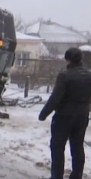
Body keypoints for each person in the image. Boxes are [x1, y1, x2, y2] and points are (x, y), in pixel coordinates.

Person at [39, 47, 91, 179]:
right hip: (82, 116)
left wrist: (44, 113)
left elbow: (55, 98)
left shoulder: (64, 76)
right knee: (78, 145)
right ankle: (76, 175)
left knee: (57, 146)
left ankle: (57, 176)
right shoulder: (89, 75)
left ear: (67, 60)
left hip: (64, 117)